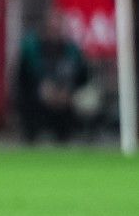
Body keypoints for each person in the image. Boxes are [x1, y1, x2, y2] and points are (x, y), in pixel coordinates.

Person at [13, 13, 95, 143]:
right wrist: (42, 89)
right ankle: (30, 139)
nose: (55, 33)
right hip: (38, 98)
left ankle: (76, 137)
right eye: (52, 29)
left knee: (88, 101)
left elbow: (83, 77)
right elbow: (22, 77)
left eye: (58, 29)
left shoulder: (73, 51)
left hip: (66, 98)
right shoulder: (32, 49)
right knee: (29, 103)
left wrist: (69, 91)